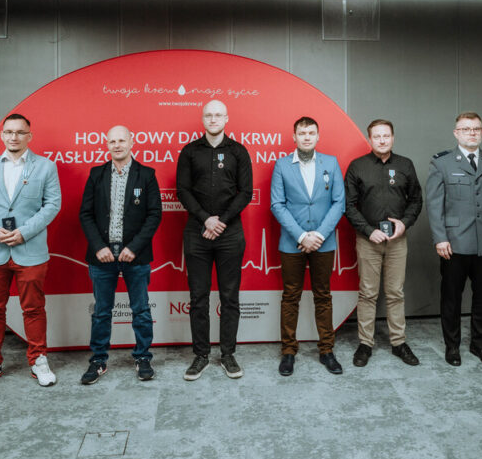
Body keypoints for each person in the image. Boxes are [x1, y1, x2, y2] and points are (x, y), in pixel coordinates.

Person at [0, 114, 61, 390]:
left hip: (30, 250)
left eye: (20, 132)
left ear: (30, 136)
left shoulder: (46, 167)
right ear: (2, 135)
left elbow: (52, 204)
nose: (14, 137)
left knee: (33, 308)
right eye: (9, 132)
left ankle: (39, 359)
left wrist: (24, 232)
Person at [426, 112, 482, 367]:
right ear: (456, 133)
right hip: (454, 244)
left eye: (476, 129)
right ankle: (452, 346)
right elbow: (434, 205)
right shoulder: (442, 163)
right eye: (466, 129)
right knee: (451, 299)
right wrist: (440, 238)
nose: (472, 133)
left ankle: (480, 345)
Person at [78, 125, 162, 384]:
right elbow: (85, 214)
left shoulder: (146, 175)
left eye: (121, 140)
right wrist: (98, 246)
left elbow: (154, 215)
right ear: (107, 144)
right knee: (102, 311)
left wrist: (133, 247)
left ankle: (143, 356)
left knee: (141, 310)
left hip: (135, 256)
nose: (117, 145)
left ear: (131, 142)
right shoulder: (96, 174)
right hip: (102, 256)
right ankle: (98, 360)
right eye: (112, 141)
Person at [176, 99, 253, 380]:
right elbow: (183, 191)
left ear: (226, 118)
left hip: (229, 233)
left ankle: (228, 354)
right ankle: (201, 355)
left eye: (218, 115)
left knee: (230, 296)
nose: (213, 119)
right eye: (208, 115)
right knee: (198, 297)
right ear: (203, 119)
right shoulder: (189, 151)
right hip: (197, 233)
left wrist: (220, 221)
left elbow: (246, 192)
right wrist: (205, 219)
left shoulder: (238, 152)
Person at [270, 117, 346, 376]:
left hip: (324, 242)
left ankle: (327, 350)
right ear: (294, 136)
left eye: (311, 133)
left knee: (323, 295)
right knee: (290, 296)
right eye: (302, 133)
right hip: (292, 243)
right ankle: (288, 351)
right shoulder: (281, 165)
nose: (306, 137)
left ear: (317, 136)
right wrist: (302, 236)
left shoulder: (331, 163)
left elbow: (339, 203)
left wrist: (319, 235)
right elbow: (277, 204)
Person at [344, 119, 423, 367]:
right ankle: (365, 344)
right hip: (369, 240)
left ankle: (398, 343)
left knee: (395, 293)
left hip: (397, 240)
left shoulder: (405, 165)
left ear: (393, 138)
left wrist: (404, 223)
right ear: (370, 139)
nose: (382, 140)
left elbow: (416, 200)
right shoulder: (357, 166)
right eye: (377, 136)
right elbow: (348, 205)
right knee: (368, 293)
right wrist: (369, 231)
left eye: (386, 136)